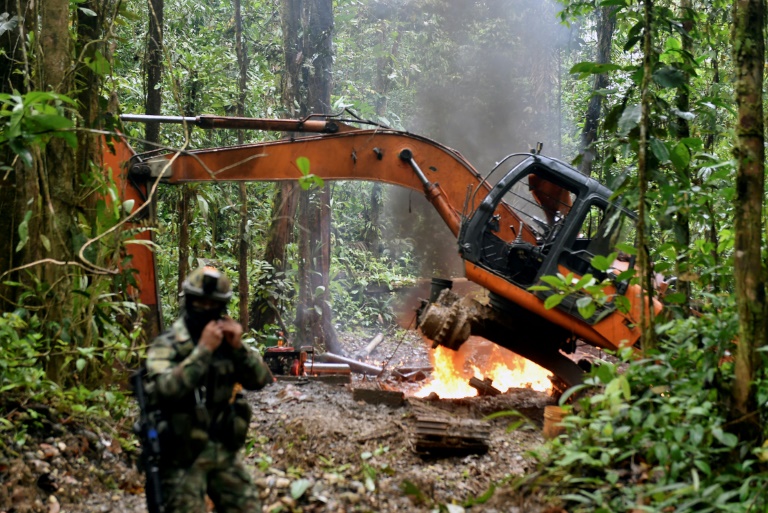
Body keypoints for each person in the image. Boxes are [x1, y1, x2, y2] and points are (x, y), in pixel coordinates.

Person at [145, 266, 273, 513]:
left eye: (211, 304)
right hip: (181, 454)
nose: (205, 309)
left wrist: (239, 348)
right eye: (199, 303)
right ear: (188, 302)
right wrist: (203, 351)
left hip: (221, 449)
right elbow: (165, 390)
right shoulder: (169, 343)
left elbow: (260, 380)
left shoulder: (226, 341)